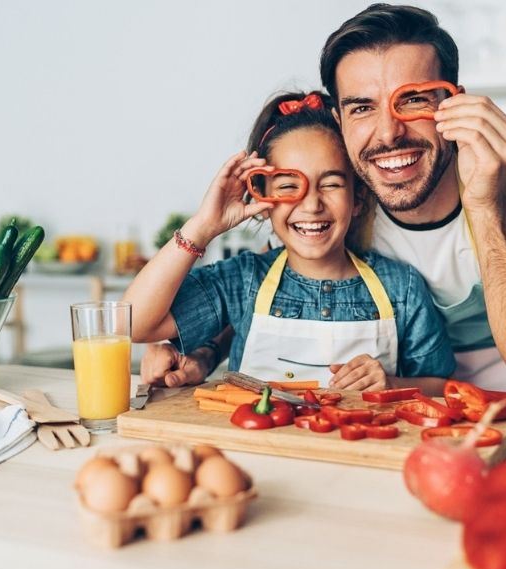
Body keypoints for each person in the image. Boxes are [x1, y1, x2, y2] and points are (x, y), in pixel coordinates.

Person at [142, 3, 506, 402]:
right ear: (338, 120)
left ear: (452, 103)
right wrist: (195, 348)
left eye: (412, 100)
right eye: (362, 108)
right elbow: (268, 286)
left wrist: (486, 204)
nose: (388, 133)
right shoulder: (351, 189)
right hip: (399, 416)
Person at [124, 91, 455, 393]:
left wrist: (392, 383)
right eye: (287, 186)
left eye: (331, 184)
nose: (311, 205)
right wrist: (202, 227)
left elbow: (441, 385)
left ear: (358, 198)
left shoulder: (403, 287)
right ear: (262, 197)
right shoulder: (242, 280)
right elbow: (134, 323)